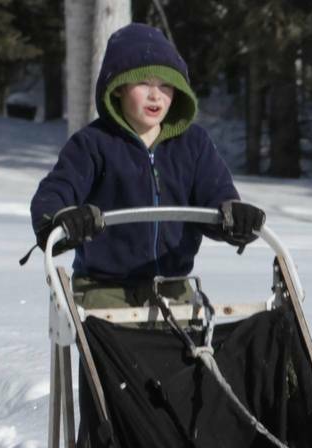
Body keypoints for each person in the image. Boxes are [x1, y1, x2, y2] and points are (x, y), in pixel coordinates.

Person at [30, 23, 264, 310]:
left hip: (173, 287)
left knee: (194, 353)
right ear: (118, 89)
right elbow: (56, 191)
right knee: (113, 351)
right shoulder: (93, 144)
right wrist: (61, 218)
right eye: (144, 84)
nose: (156, 96)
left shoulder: (193, 145)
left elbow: (216, 196)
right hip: (104, 288)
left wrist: (234, 217)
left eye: (166, 85)